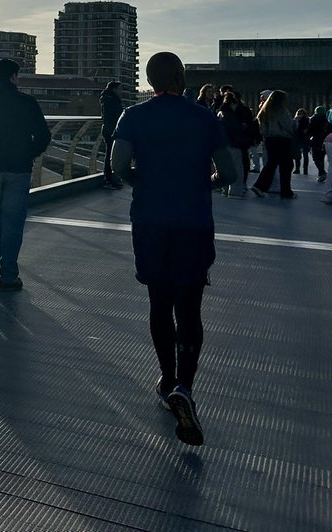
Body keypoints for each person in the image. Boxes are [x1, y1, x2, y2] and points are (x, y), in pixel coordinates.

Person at [111, 52, 235, 447]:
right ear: (182, 78)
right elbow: (229, 172)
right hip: (193, 222)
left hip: (150, 221)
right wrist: (203, 184)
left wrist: (143, 184)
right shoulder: (203, 117)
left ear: (148, 79)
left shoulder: (133, 116)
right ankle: (185, 385)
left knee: (159, 303)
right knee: (191, 306)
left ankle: (166, 379)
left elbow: (118, 165)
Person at [0, 58, 51, 290]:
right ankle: (8, 275)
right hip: (18, 168)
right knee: (13, 222)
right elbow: (43, 136)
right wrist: (29, 153)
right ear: (14, 76)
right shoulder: (27, 102)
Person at [251, 90, 296, 199]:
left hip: (269, 140)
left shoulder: (264, 111)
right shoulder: (281, 110)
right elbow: (288, 125)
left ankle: (259, 186)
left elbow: (261, 128)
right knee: (286, 165)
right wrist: (295, 124)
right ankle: (286, 191)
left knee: (271, 164)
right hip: (282, 140)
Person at [100, 81, 124, 189]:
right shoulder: (110, 101)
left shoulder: (111, 100)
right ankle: (108, 180)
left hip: (112, 130)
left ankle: (112, 179)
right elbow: (108, 119)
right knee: (110, 155)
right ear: (114, 90)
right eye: (119, 89)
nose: (121, 91)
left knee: (112, 155)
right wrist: (113, 133)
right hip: (111, 131)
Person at [309, 106, 329, 184]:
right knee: (321, 158)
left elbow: (311, 130)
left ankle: (322, 172)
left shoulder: (313, 119)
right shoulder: (326, 120)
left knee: (315, 158)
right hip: (325, 140)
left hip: (316, 140)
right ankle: (321, 175)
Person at [293, 108, 311, 175]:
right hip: (300, 139)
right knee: (299, 155)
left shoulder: (306, 121)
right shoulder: (296, 120)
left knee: (304, 154)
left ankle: (303, 169)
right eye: (299, 114)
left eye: (301, 114)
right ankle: (298, 169)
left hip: (302, 139)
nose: (300, 115)